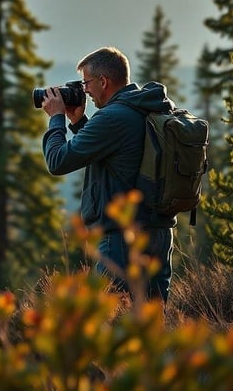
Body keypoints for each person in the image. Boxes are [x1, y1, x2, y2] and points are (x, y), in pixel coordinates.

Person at [40, 46, 175, 303]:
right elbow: (117, 155)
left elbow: (57, 161)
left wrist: (56, 118)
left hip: (121, 241)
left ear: (103, 81)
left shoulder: (113, 117)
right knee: (151, 326)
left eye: (86, 83)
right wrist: (79, 123)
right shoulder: (142, 108)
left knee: (117, 326)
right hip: (157, 233)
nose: (84, 91)